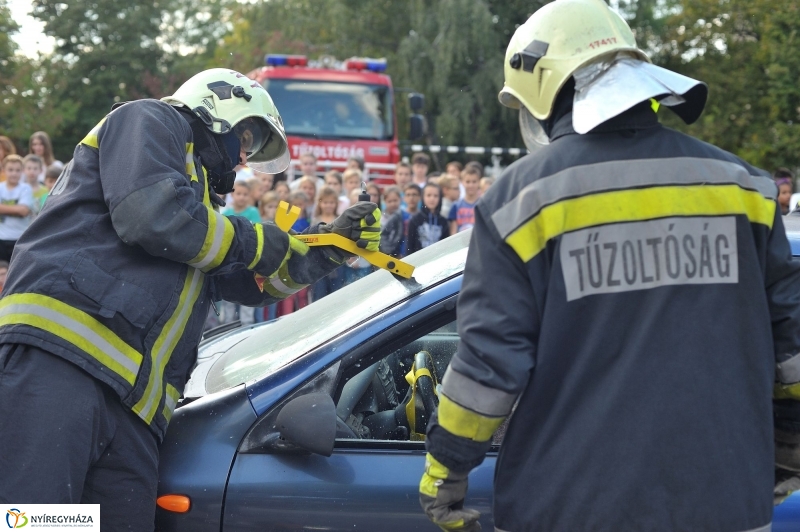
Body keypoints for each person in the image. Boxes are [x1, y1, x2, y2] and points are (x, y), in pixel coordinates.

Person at [418, 1, 800, 531]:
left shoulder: (519, 202)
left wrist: (445, 470)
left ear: (546, 90)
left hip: (568, 505)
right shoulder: (745, 188)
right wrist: (786, 450)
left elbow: (489, 366)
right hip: (727, 502)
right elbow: (793, 352)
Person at [0, 68, 381, 530]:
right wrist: (258, 240)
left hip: (135, 408)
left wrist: (327, 246)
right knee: (36, 522)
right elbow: (151, 216)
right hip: (64, 363)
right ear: (222, 110)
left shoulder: (203, 213)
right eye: (245, 144)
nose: (242, 162)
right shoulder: (149, 119)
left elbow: (249, 279)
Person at [311, 187, 345, 301]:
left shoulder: (340, 219)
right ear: (320, 203)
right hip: (318, 263)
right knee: (318, 297)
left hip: (337, 263)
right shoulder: (316, 220)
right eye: (325, 202)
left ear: (336, 204)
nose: (328, 205)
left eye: (331, 202)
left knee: (336, 297)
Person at [0, 155, 33, 262]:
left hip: (19, 238)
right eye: (10, 170)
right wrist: (16, 209)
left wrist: (3, 208)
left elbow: (23, 211)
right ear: (4, 170)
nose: (14, 173)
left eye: (17, 170)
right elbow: (19, 209)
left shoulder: (25, 188)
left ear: (22, 171)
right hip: (1, 238)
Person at [407, 182, 449, 254]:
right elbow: (409, 245)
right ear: (422, 197)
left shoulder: (443, 222)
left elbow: (446, 246)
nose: (432, 199)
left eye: (435, 196)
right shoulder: (415, 220)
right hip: (418, 261)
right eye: (428, 195)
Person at [448, 165, 480, 234]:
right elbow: (453, 232)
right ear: (462, 182)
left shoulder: (483, 205)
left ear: (479, 182)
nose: (471, 185)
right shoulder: (456, 206)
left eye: (474, 182)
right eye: (468, 182)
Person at [380, 186, 404, 257]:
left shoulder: (403, 215)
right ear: (384, 202)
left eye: (395, 200)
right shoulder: (382, 217)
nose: (393, 204)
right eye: (389, 201)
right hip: (384, 252)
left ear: (400, 199)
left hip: (400, 252)